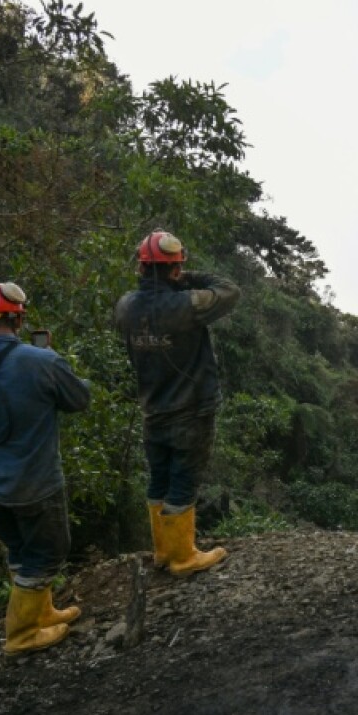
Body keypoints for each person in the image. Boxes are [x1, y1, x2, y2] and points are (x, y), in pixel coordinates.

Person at [0, 281, 90, 654]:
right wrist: (58, 363)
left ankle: (42, 613)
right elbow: (79, 400)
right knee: (49, 552)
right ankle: (21, 634)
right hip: (36, 485)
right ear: (19, 320)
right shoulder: (42, 361)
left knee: (19, 549)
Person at [114, 230, 239, 576]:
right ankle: (183, 557)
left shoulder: (125, 307)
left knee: (159, 478)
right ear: (174, 270)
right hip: (191, 410)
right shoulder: (187, 306)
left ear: (140, 269)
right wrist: (189, 277)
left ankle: (163, 552)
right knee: (183, 479)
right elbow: (229, 291)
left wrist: (172, 276)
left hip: (152, 409)